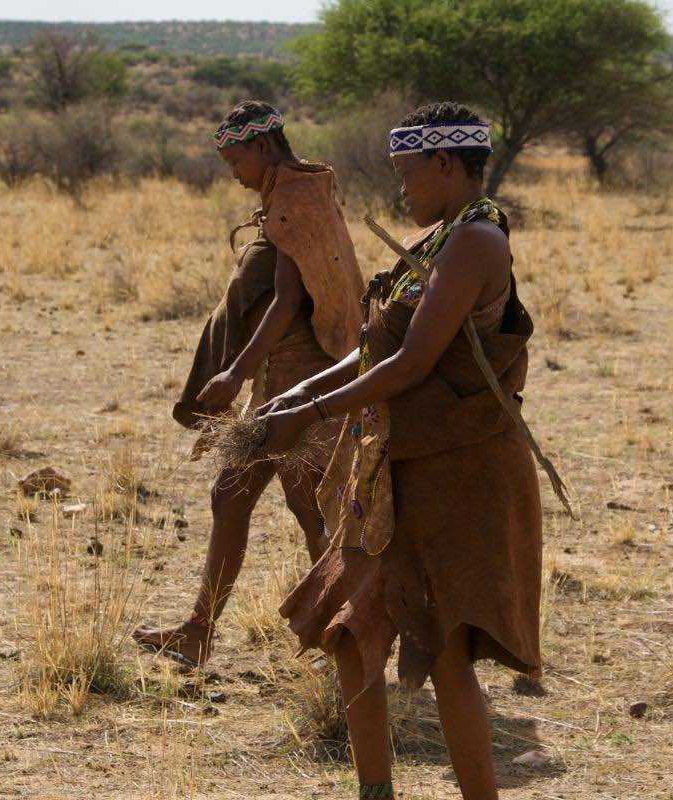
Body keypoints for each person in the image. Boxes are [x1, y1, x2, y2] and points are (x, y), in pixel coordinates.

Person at [256, 102, 542, 800]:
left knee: (444, 653)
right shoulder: (441, 239)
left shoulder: (476, 241)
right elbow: (370, 349)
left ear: (448, 164)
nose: (401, 191)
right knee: (352, 633)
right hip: (394, 466)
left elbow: (413, 363)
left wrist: (313, 413)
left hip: (458, 472)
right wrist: (292, 399)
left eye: (408, 174)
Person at [133, 101, 365, 668]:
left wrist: (235, 371)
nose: (233, 174)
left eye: (235, 160)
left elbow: (288, 300)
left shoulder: (293, 198)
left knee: (310, 509)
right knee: (233, 497)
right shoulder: (300, 190)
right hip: (283, 377)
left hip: (298, 379)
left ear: (262, 148)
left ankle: (351, 637)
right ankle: (198, 631)